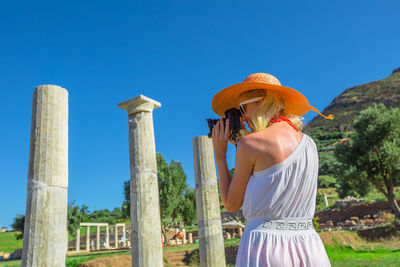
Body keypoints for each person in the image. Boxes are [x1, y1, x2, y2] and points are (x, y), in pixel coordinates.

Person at [211, 73, 332, 267]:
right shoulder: (310, 144)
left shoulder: (249, 144)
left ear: (262, 102)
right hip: (309, 246)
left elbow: (231, 204)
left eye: (243, 108)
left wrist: (220, 155)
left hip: (265, 248)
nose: (242, 117)